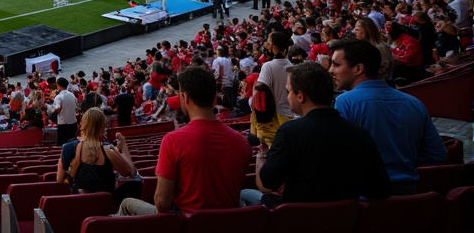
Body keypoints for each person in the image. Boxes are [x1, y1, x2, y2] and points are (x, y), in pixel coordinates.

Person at [240, 62, 389, 207]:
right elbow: (379, 189)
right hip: (346, 222)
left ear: (300, 96)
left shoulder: (290, 132)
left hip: (299, 220)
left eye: (288, 91)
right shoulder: (360, 134)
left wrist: (260, 160)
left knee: (244, 193)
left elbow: (266, 184)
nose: (287, 97)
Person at [117, 66, 251, 215]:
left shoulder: (173, 141)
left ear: (185, 97)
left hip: (186, 223)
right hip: (230, 223)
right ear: (214, 98)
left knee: (127, 203)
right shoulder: (242, 142)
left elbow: (162, 205)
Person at [329, 38, 445, 194]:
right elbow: (437, 155)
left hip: (368, 198)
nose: (330, 70)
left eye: (336, 64)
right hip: (410, 197)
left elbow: (339, 157)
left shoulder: (345, 102)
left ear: (358, 69)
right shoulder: (414, 103)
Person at [58, 107, 140, 201]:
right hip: (105, 205)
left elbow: (65, 178)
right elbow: (131, 172)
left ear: (82, 125)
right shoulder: (108, 149)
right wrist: (124, 145)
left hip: (80, 204)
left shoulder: (73, 148)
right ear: (103, 126)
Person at [49, 76, 79, 144]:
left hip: (63, 124)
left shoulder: (59, 97)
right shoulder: (72, 95)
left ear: (58, 85)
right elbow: (76, 106)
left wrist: (52, 112)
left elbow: (57, 108)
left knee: (63, 144)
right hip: (73, 122)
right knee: (72, 143)